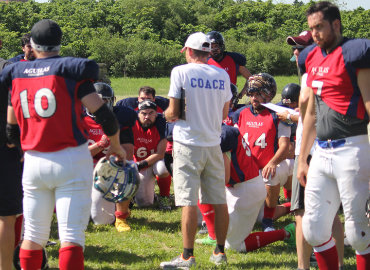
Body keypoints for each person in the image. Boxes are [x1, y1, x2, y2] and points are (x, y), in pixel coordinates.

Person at [2, 19, 126, 270]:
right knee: (71, 237)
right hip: (70, 158)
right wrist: (116, 145)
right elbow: (104, 115)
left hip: (34, 162)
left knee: (33, 236)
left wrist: (24, 153)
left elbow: (10, 129)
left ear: (32, 45)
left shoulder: (16, 74)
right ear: (59, 45)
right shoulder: (70, 72)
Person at [297, 2, 370, 269]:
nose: (314, 34)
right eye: (311, 28)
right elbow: (312, 114)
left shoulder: (355, 52)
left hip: (352, 147)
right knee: (314, 228)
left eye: (319, 27)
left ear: (336, 24)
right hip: (321, 151)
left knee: (358, 234)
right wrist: (302, 158)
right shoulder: (311, 56)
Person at [160, 32, 231, 269]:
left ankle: (187, 256)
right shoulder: (222, 74)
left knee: (188, 200)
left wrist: (166, 116)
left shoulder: (180, 71)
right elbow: (223, 114)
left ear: (189, 51)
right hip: (213, 143)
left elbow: (173, 111)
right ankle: (220, 252)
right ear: (209, 52)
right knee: (218, 200)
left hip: (187, 144)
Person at [286, 30, 345, 270]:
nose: (296, 52)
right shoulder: (336, 71)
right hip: (332, 145)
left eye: (301, 47)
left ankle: (303, 266)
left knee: (301, 210)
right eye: (295, 48)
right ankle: (339, 264)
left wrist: (292, 115)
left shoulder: (310, 74)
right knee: (332, 210)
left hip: (309, 148)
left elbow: (306, 108)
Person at [196, 124, 296, 251]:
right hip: (236, 187)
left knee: (234, 245)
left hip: (246, 189)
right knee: (200, 187)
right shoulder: (216, 130)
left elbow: (224, 177)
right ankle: (213, 235)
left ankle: (286, 233)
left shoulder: (222, 135)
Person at [232, 73, 291, 232]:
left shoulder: (278, 115)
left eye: (259, 94)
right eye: (251, 94)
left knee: (271, 173)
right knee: (249, 216)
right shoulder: (241, 113)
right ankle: (291, 205)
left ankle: (268, 221)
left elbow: (284, 146)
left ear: (269, 94)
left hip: (268, 167)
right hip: (247, 170)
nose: (254, 98)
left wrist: (272, 163)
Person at [85, 82, 137, 226]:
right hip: (84, 167)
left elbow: (128, 153)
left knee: (129, 167)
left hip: (108, 168)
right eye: (99, 100)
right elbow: (75, 155)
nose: (102, 105)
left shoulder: (121, 117)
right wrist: (101, 144)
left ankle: (121, 216)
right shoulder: (78, 119)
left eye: (106, 100)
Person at [116, 86, 172, 211]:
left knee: (163, 168)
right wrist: (133, 166)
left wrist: (140, 165)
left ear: (156, 114)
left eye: (151, 113)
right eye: (144, 113)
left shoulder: (161, 123)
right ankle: (135, 195)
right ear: (138, 113)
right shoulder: (130, 123)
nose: (147, 116)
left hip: (152, 162)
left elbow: (160, 154)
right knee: (145, 203)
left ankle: (164, 196)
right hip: (137, 163)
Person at [0, 55, 23, 270]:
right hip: (5, 150)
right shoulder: (8, 69)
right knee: (6, 217)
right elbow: (18, 105)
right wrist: (17, 142)